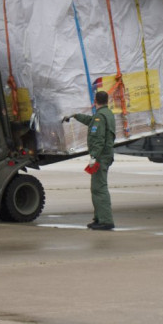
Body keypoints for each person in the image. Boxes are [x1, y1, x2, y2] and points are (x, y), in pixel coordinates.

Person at [63, 90, 116, 230]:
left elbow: (98, 139)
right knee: (97, 188)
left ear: (95, 101)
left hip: (100, 157)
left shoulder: (99, 117)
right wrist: (76, 116)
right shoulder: (107, 114)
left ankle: (106, 220)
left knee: (99, 189)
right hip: (106, 155)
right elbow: (90, 121)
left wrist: (93, 157)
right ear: (107, 101)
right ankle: (99, 219)